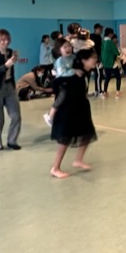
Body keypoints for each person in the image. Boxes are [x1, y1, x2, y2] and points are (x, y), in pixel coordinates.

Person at [49, 49, 99, 179]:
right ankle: (55, 168)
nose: (95, 60)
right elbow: (60, 90)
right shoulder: (72, 76)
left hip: (81, 107)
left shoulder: (84, 73)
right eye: (93, 58)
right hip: (68, 110)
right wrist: (53, 111)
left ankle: (78, 160)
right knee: (65, 139)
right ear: (84, 60)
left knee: (87, 133)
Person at [44, 39, 75, 126]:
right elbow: (62, 74)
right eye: (65, 47)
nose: (68, 48)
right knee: (61, 97)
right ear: (59, 50)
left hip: (72, 83)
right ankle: (50, 115)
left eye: (69, 46)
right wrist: (74, 71)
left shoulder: (73, 57)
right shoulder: (60, 61)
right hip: (62, 83)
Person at [101, 27, 121, 98]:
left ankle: (105, 92)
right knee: (118, 77)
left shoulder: (103, 42)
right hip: (112, 63)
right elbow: (116, 52)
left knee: (107, 77)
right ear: (110, 34)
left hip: (105, 63)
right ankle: (117, 92)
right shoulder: (110, 42)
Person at [90, 24, 104, 95]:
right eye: (100, 29)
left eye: (101, 29)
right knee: (98, 75)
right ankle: (98, 90)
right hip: (95, 59)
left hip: (99, 58)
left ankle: (97, 89)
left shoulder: (99, 37)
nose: (101, 31)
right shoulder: (92, 37)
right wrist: (96, 60)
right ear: (96, 29)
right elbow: (93, 49)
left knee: (99, 74)